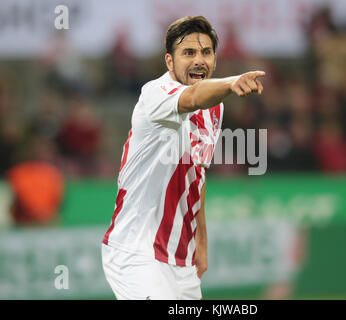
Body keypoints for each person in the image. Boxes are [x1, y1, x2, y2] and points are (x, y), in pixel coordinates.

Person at [101, 16, 265, 300]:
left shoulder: (215, 108)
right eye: (188, 53)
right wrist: (231, 83)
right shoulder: (155, 94)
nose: (199, 60)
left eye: (206, 52)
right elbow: (192, 97)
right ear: (169, 61)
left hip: (181, 259)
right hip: (137, 252)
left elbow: (197, 175)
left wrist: (201, 239)